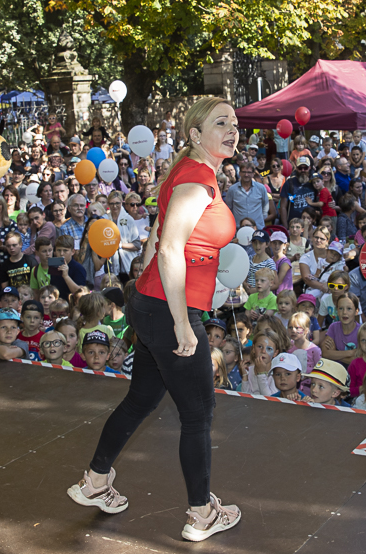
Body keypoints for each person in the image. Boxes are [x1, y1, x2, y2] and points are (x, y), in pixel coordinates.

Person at [70, 97, 242, 542]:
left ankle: (94, 482)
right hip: (167, 311)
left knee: (141, 400)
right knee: (198, 414)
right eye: (220, 122)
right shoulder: (196, 181)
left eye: (235, 122)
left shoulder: (191, 175)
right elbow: (168, 250)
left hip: (150, 304)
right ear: (194, 134)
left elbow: (155, 240)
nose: (232, 128)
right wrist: (183, 324)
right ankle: (201, 514)